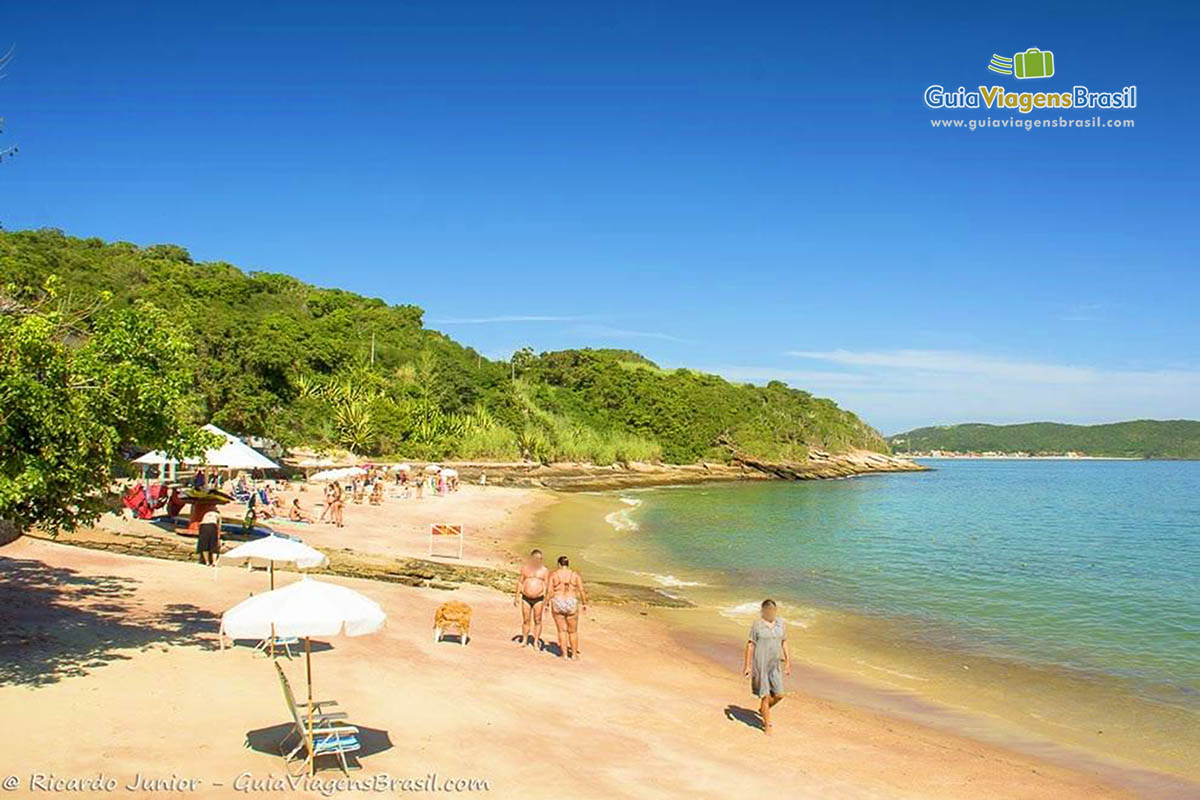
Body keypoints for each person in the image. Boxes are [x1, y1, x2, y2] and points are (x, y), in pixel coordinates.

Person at [742, 599, 791, 735]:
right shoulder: (757, 626)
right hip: (760, 664)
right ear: (763, 612)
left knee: (780, 694)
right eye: (767, 611)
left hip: (775, 665)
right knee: (765, 695)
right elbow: (750, 645)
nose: (770, 613)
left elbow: (784, 642)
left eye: (773, 611)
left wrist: (787, 661)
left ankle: (764, 709)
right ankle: (767, 724)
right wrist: (747, 666)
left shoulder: (780, 624)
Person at [547, 555, 588, 660]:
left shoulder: (554, 575)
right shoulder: (575, 575)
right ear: (568, 564)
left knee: (562, 631)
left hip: (558, 600)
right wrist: (584, 603)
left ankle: (564, 655)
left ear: (559, 564)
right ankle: (574, 655)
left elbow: (550, 591)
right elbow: (581, 590)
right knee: (573, 631)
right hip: (571, 601)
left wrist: (546, 604)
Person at [514, 549, 549, 649]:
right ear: (532, 558)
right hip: (525, 598)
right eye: (537, 558)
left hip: (539, 599)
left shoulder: (544, 570)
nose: (538, 560)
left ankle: (535, 641)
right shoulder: (525, 569)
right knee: (526, 619)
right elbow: (520, 582)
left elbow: (547, 585)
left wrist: (547, 601)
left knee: (538, 620)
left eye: (540, 559)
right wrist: (516, 596)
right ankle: (524, 640)